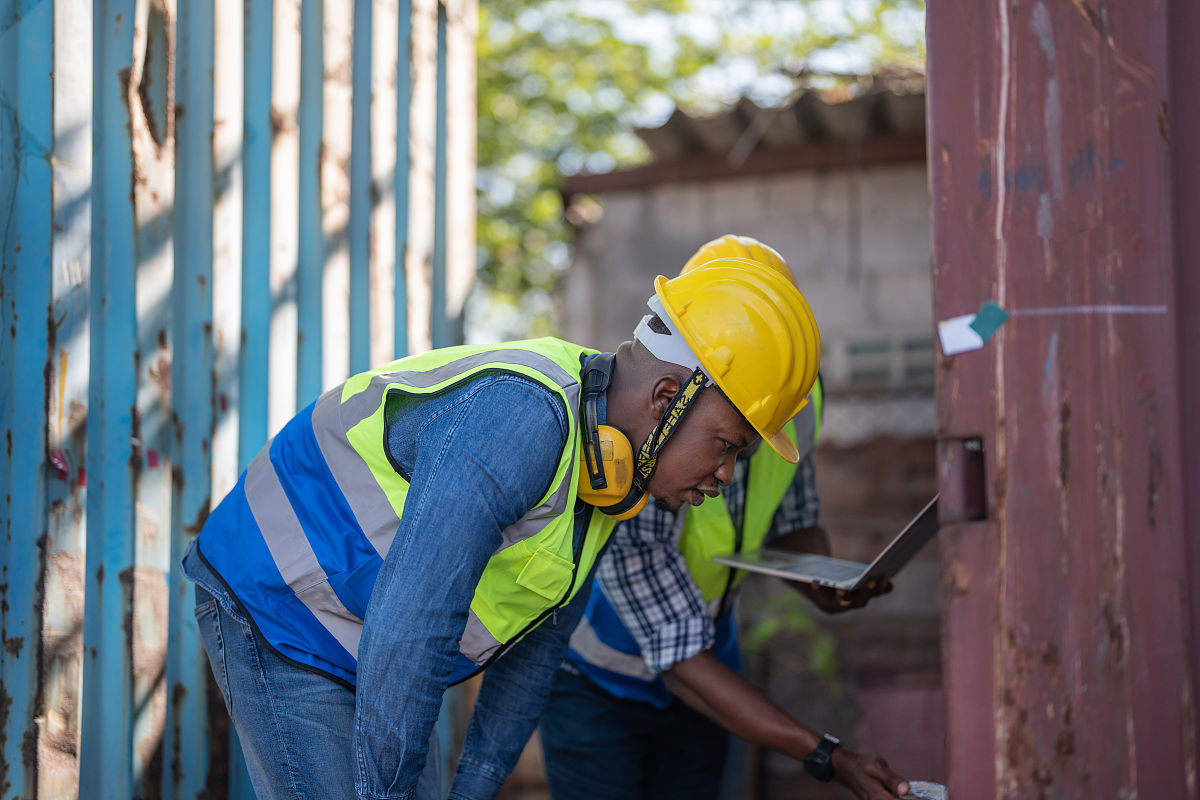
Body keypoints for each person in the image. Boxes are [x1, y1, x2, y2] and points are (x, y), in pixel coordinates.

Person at [180, 257, 821, 800]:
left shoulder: (611, 482)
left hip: (371, 638)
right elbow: (414, 628)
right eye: (727, 445)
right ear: (665, 399)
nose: (727, 476)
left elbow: (535, 656)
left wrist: (473, 791)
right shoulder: (522, 420)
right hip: (279, 606)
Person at [539, 236, 910, 800]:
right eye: (726, 444)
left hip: (712, 662)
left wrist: (823, 582)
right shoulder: (635, 451)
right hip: (599, 681)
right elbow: (679, 653)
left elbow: (792, 517)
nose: (729, 473)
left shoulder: (791, 407)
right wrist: (830, 758)